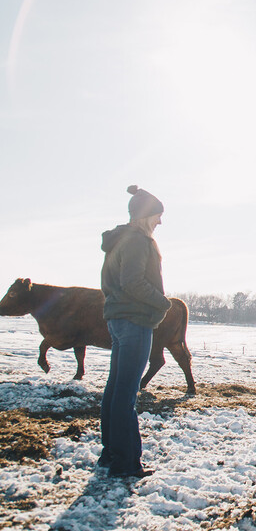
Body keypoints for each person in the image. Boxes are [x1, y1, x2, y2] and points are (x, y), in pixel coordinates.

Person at [98, 185, 172, 478]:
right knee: (126, 394)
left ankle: (111, 453)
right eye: (157, 215)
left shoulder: (119, 240)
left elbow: (114, 282)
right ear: (145, 215)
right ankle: (126, 462)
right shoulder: (138, 242)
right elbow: (132, 282)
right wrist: (162, 302)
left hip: (119, 319)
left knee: (115, 389)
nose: (160, 222)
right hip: (134, 321)